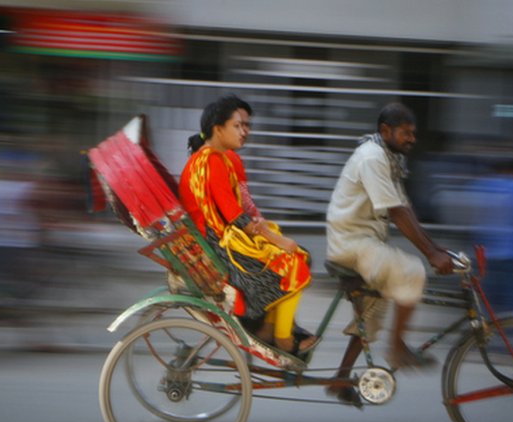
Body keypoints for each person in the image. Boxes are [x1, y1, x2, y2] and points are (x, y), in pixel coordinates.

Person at [325, 103, 454, 405]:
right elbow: (396, 212)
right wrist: (430, 256)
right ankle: (397, 348)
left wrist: (436, 248)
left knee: (373, 312)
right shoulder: (372, 157)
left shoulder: (389, 159)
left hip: (364, 242)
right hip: (351, 243)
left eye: (413, 133)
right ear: (386, 131)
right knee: (412, 271)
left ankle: (340, 378)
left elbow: (405, 210)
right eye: (406, 133)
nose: (412, 139)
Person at [179, 95, 317, 357]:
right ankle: (283, 338)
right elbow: (236, 217)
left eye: (246, 126)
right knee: (295, 262)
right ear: (218, 129)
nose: (245, 131)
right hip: (220, 249)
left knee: (296, 254)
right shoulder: (212, 161)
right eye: (237, 126)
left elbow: (240, 210)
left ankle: (268, 328)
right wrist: (278, 241)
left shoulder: (216, 158)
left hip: (217, 241)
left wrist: (267, 232)